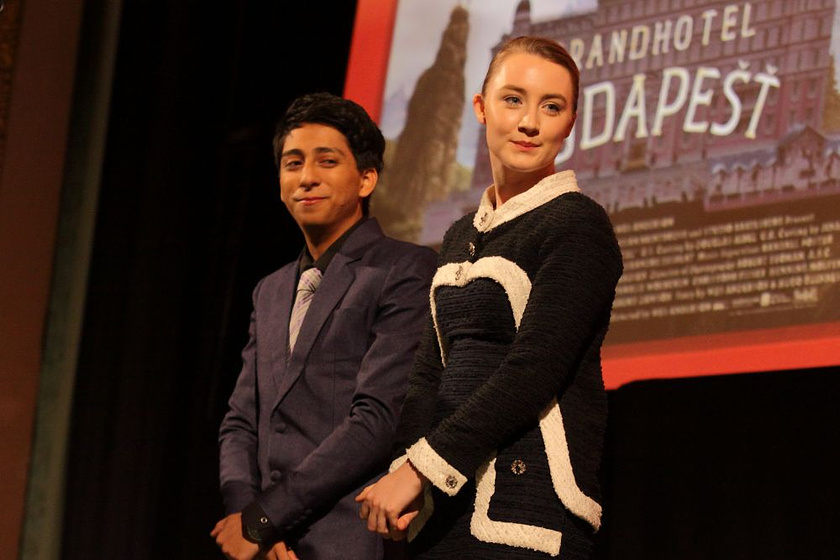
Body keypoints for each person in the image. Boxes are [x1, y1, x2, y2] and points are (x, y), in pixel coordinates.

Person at [356, 36, 623, 559]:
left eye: (552, 107)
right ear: (480, 108)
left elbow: (533, 370)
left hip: (523, 515)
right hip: (439, 511)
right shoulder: (460, 234)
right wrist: (403, 474)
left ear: (569, 124)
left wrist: (420, 469)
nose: (530, 122)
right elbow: (427, 374)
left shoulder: (577, 224)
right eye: (513, 99)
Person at [212, 92, 437, 560]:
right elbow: (240, 421)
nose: (306, 177)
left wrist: (262, 518)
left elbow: (375, 420)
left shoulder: (404, 268)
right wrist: (247, 517)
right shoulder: (270, 290)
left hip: (348, 539)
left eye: (326, 161)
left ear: (366, 178)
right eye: (293, 163)